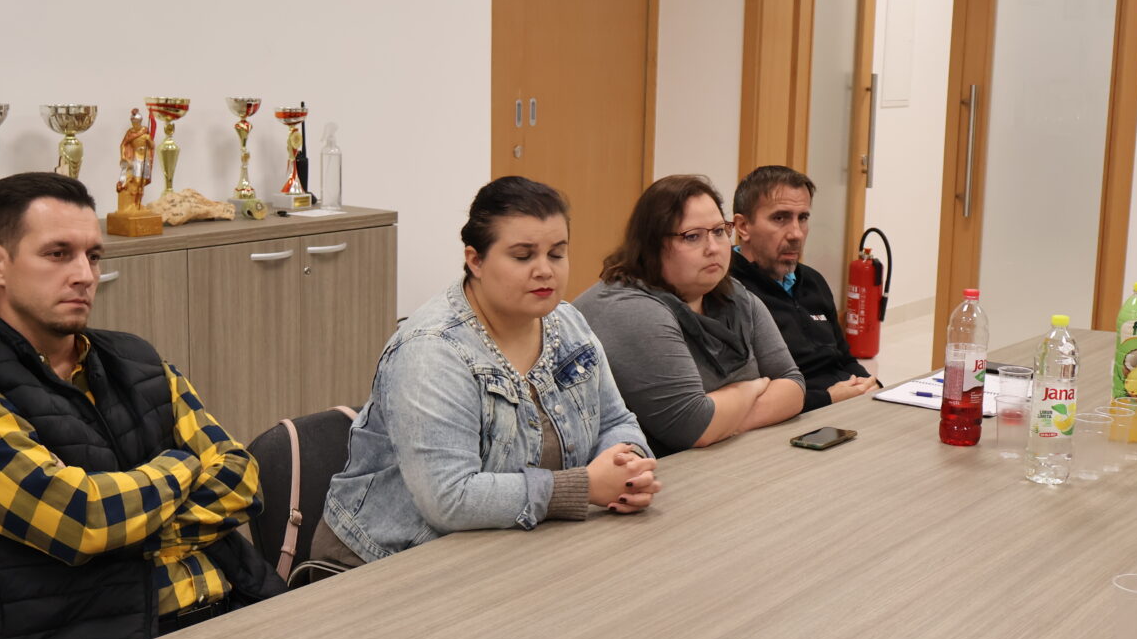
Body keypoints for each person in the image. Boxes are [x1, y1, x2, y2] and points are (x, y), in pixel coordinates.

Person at [0, 173, 282, 639]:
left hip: (239, 604)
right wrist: (182, 466)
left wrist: (131, 530)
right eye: (58, 254)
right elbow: (83, 518)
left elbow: (241, 478)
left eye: (93, 256)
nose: (84, 275)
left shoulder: (138, 359)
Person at [318, 176, 659, 565]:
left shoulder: (567, 322)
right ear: (475, 261)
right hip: (388, 560)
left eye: (557, 254)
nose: (545, 270)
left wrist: (627, 465)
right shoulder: (431, 350)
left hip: (514, 548)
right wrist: (585, 487)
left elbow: (616, 420)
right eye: (523, 256)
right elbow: (450, 500)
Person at [573, 174, 805, 455]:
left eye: (719, 231)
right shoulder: (632, 309)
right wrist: (752, 388)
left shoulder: (735, 295)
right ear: (652, 245)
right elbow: (692, 427)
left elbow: (793, 387)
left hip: (730, 457)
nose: (713, 248)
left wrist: (723, 423)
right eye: (692, 236)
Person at [729, 165, 878, 411]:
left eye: (803, 218)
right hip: (797, 417)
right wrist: (827, 398)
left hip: (845, 405)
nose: (796, 233)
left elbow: (844, 358)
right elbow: (747, 401)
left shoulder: (812, 280)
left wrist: (872, 386)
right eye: (780, 218)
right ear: (743, 226)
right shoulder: (727, 293)